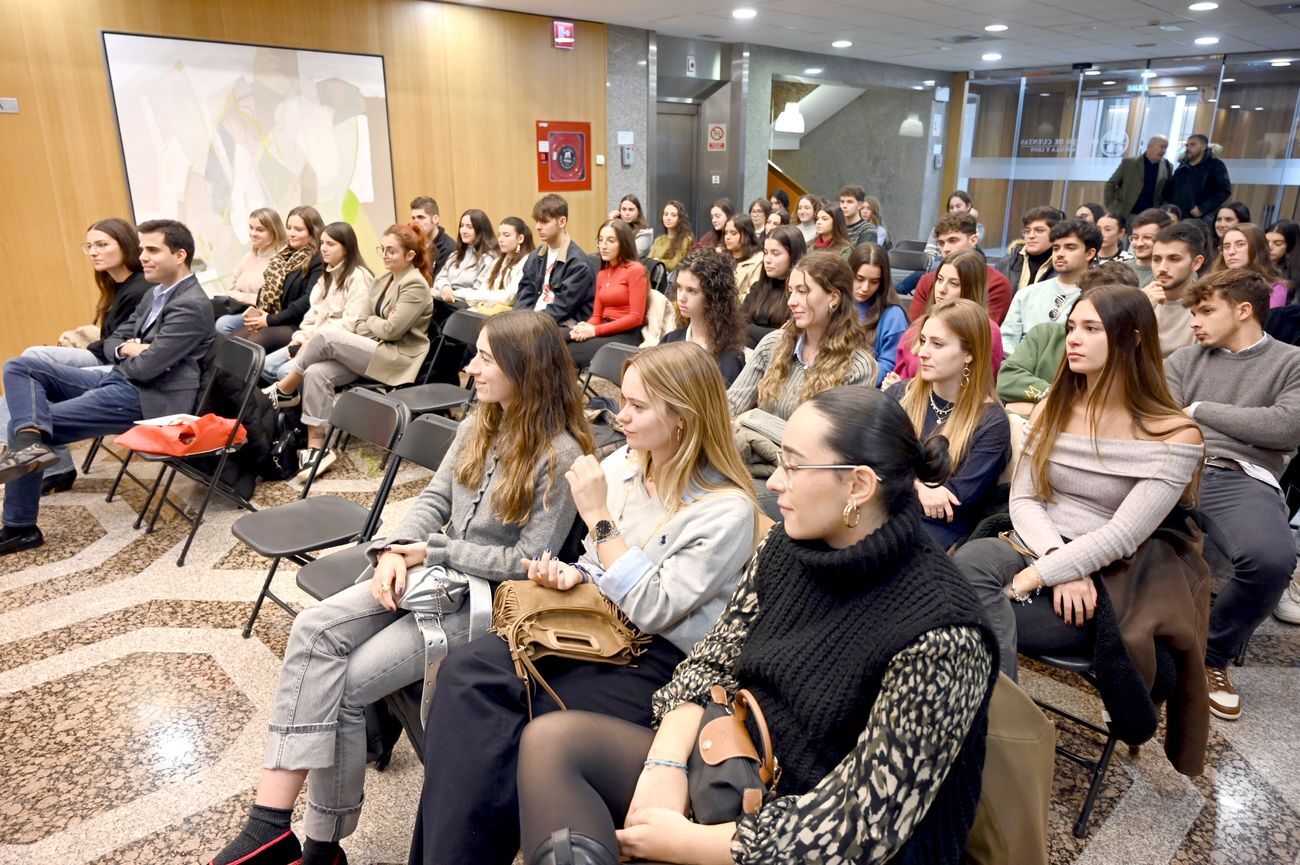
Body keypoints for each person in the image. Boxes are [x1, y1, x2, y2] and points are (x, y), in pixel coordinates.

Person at [515, 385, 999, 865]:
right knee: (552, 743)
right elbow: (712, 661)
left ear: (858, 485)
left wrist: (683, 843)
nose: (773, 482)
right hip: (738, 766)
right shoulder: (789, 546)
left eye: (793, 464)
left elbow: (861, 826)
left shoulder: (944, 632)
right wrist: (664, 767)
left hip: (822, 834)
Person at [207, 311, 592, 865]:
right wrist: (392, 551)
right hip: (428, 572)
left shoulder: (561, 454)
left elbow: (524, 561)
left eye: (485, 357)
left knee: (349, 681)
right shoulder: (480, 420)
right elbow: (434, 501)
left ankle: (318, 846)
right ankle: (272, 826)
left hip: (483, 598)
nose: (471, 367)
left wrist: (431, 552)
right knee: (313, 629)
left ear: (524, 368)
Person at [407, 341, 761, 865]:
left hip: (658, 661)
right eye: (624, 400)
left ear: (683, 418)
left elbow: (656, 608)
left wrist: (598, 518)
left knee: (503, 722)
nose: (621, 416)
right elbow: (599, 563)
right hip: (594, 624)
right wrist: (570, 572)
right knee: (462, 674)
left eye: (639, 407)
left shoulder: (726, 509)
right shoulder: (625, 464)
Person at [954, 285, 1204, 678]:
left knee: (963, 618)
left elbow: (1122, 535)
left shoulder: (1174, 434)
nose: (1073, 338)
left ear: (1133, 339)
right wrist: (1056, 562)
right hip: (1039, 542)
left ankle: (994, 727)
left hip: (1109, 576)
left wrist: (1035, 578)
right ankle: (998, 724)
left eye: (1091, 329)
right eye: (1072, 327)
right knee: (968, 564)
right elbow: (1024, 499)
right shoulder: (1050, 409)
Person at [0, 220, 213, 555]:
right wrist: (129, 348)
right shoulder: (156, 292)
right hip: (120, 379)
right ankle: (31, 439)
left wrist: (131, 352)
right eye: (142, 249)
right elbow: (111, 339)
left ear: (180, 254)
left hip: (145, 398)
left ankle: (20, 527)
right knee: (20, 365)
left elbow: (147, 367)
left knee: (16, 423)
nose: (142, 257)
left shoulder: (190, 304)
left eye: (153, 250)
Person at [1165, 269, 1300, 720]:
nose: (1195, 322)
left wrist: (1200, 409)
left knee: (1272, 560)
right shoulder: (1185, 360)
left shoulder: (1291, 362)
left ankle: (1211, 657)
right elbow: (1162, 420)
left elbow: (1285, 427)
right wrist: (1197, 420)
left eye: (1205, 311)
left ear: (1243, 311)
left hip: (1239, 476)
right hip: (1174, 466)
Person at [264, 222, 434, 479]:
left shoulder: (415, 285)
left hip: (394, 358)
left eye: (392, 251)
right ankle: (316, 448)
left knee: (324, 337)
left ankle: (285, 389)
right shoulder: (384, 279)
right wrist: (374, 324)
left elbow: (391, 332)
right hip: (373, 350)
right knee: (316, 373)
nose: (385, 255)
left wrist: (372, 324)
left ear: (410, 256)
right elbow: (362, 322)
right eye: (383, 249)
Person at [0, 218, 152, 494]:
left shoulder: (141, 288)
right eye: (90, 246)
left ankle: (20, 451)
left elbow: (118, 344)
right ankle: (38, 456)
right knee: (24, 379)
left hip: (115, 368)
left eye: (102, 244)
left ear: (125, 246)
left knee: (30, 375)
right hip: (107, 356)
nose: (93, 251)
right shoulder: (114, 284)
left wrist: (90, 346)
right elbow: (113, 337)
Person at [729, 251, 877, 465]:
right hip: (750, 461)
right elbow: (731, 406)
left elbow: (828, 446)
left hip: (804, 478)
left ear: (833, 297)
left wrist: (753, 419)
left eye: (802, 291)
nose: (791, 301)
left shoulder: (858, 366)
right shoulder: (774, 344)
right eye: (790, 291)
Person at [887, 299, 1010, 549]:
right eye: (923, 341)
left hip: (932, 533)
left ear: (969, 353)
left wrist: (891, 477)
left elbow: (953, 501)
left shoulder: (991, 422)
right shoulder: (900, 394)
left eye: (938, 344)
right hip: (882, 510)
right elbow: (866, 459)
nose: (922, 352)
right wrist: (920, 488)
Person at [998, 264, 1139, 416]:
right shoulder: (1045, 335)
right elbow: (1006, 379)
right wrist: (1051, 396)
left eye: (1092, 328)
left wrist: (1039, 408)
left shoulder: (1137, 358)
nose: (1073, 340)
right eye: (1084, 296)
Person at [261, 222, 374, 385]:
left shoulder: (359, 277)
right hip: (314, 339)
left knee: (283, 372)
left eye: (330, 244)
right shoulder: (326, 276)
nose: (323, 248)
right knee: (265, 366)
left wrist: (312, 341)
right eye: (322, 243)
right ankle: (288, 403)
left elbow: (351, 324)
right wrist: (299, 338)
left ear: (346, 249)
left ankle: (295, 405)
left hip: (337, 346)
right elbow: (311, 316)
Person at [892, 250, 1005, 381]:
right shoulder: (921, 324)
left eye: (954, 283)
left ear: (971, 289)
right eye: (939, 280)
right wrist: (895, 385)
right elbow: (899, 371)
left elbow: (979, 384)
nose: (941, 289)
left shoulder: (987, 331)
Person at [216, 206, 323, 339]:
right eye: (289, 228)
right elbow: (268, 292)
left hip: (297, 323)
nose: (291, 233)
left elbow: (307, 301)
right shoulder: (285, 256)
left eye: (298, 229)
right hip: (272, 316)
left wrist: (271, 319)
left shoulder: (317, 259)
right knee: (230, 342)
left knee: (247, 338)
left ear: (313, 232)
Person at [1001, 218, 1101, 354]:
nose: (1060, 254)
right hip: (1020, 368)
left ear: (1090, 253)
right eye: (1056, 248)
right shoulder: (1027, 294)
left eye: (1070, 248)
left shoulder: (1101, 297)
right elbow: (1006, 341)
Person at [568, 219, 648, 368]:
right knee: (555, 338)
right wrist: (585, 328)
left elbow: (636, 318)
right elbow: (597, 316)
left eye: (610, 241)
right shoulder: (602, 274)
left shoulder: (636, 270)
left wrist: (595, 330)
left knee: (565, 353)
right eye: (600, 240)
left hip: (625, 335)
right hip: (604, 328)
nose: (603, 246)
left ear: (623, 243)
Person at [908, 212, 1013, 324]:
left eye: (953, 241)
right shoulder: (927, 281)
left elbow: (985, 333)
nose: (946, 249)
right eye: (941, 243)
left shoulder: (997, 283)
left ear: (973, 240)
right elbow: (913, 328)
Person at [661, 248, 746, 385]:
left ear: (713, 296)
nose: (681, 298)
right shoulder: (671, 339)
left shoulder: (729, 358)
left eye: (691, 291)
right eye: (679, 287)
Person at [514, 194, 596, 326]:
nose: (537, 227)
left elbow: (562, 307)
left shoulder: (578, 263)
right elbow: (525, 293)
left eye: (544, 221)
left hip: (562, 324)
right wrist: (520, 321)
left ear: (562, 222)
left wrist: (530, 325)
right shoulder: (536, 256)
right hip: (534, 321)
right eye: (537, 221)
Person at [210, 207, 286, 321]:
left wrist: (242, 297)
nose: (253, 233)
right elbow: (233, 290)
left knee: (224, 324)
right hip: (238, 309)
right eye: (251, 228)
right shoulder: (247, 258)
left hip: (261, 314)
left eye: (260, 230)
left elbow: (273, 302)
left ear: (274, 232)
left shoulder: (280, 262)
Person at [1144, 221, 1206, 357]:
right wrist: (1139, 310)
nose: (1162, 268)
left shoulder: (1207, 306)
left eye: (1174, 259)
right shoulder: (1140, 300)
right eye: (1156, 259)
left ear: (1196, 263)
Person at [849, 243, 908, 384]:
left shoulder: (893, 316)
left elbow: (889, 365)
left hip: (864, 390)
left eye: (874, 282)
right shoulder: (835, 302)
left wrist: (852, 378)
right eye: (859, 279)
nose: (865, 288)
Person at [742, 225, 804, 347]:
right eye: (765, 253)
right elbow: (738, 323)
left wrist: (750, 330)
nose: (767, 259)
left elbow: (790, 336)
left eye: (776, 253)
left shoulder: (801, 293)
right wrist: (772, 333)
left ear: (793, 255)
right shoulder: (759, 287)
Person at [460, 217, 535, 310]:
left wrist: (478, 297)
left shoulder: (527, 261)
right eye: (499, 235)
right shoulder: (497, 261)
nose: (500, 239)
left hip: (512, 313)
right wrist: (483, 301)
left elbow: (509, 297)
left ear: (520, 238)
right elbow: (484, 288)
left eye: (506, 235)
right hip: (488, 307)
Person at [431, 208, 498, 309]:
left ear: (481, 230)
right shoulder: (455, 254)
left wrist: (450, 293)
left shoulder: (488, 258)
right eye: (462, 226)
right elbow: (440, 277)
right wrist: (445, 287)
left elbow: (478, 292)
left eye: (469, 227)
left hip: (466, 305)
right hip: (446, 299)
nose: (463, 231)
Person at [1212, 223, 1289, 308]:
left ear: (1257, 248)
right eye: (1226, 247)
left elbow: (1270, 320)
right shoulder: (1212, 283)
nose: (1231, 252)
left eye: (1240, 244)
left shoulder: (1274, 288)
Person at [1165, 134, 1233, 228]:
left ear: (1203, 146)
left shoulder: (1215, 166)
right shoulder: (1182, 167)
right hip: (1178, 218)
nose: (1188, 148)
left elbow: (1224, 191)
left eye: (1192, 145)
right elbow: (1170, 190)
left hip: (1200, 220)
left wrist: (1202, 208)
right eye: (1187, 145)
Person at [1104, 135, 1172, 224]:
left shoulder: (1167, 166)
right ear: (1150, 146)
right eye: (1161, 147)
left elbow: (1166, 192)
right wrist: (1111, 206)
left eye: (1165, 147)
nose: (1163, 151)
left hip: (1150, 217)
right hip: (1127, 213)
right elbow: (1110, 184)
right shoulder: (1130, 163)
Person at [996, 205, 1062, 293]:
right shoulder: (1006, 262)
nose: (1031, 236)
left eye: (1039, 230)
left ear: (1055, 233)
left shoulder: (1062, 264)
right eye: (1027, 231)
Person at [925, 190, 985, 256]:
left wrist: (971, 217)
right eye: (951, 207)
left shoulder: (979, 227)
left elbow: (972, 244)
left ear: (968, 206)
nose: (954, 210)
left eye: (958, 206)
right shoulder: (939, 227)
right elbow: (929, 252)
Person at [1125, 206, 1175, 285]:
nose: (1139, 244)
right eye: (1135, 237)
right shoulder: (1120, 270)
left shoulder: (1175, 273)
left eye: (1147, 237)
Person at [411, 195, 457, 280]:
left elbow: (437, 283)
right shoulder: (414, 245)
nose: (415, 223)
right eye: (413, 218)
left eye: (421, 217)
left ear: (435, 219)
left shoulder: (449, 248)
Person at [722, 215, 764, 300]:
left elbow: (751, 295)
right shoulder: (720, 255)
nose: (727, 237)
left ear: (746, 235)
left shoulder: (758, 260)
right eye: (726, 233)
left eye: (733, 233)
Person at [647, 200, 693, 271]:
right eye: (665, 214)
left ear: (680, 218)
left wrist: (656, 261)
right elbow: (648, 262)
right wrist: (657, 262)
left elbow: (674, 265)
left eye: (673, 215)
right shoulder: (659, 240)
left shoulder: (686, 239)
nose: (668, 218)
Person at [1265, 219, 1300, 301]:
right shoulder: (1254, 264)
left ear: (1290, 246)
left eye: (1278, 243)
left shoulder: (1295, 273)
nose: (1269, 248)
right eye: (1266, 242)